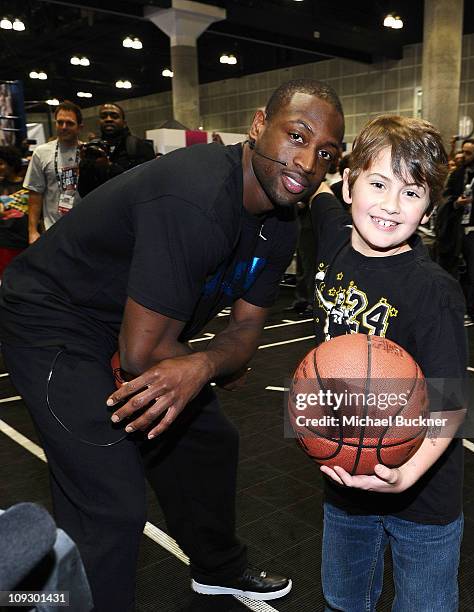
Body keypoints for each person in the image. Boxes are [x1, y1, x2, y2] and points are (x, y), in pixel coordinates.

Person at [0, 79, 345, 612]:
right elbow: (144, 357)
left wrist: (203, 363)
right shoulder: (198, 195)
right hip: (54, 319)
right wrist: (210, 363)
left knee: (210, 441)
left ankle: (218, 570)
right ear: (258, 126)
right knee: (110, 500)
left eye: (325, 153)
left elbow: (245, 335)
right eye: (297, 136)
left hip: (135, 325)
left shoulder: (279, 224)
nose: (307, 161)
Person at [308, 115, 467, 612]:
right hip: (345, 484)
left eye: (413, 192)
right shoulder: (333, 237)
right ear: (350, 184)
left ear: (429, 208)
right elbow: (317, 197)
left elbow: (450, 402)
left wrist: (408, 473)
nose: (391, 205)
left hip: (422, 497)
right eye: (378, 183)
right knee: (342, 600)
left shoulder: (433, 291)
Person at [440, 138, 474, 325]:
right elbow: (447, 196)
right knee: (453, 269)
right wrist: (456, 203)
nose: (465, 156)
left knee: (473, 271)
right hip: (458, 226)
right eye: (463, 152)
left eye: (470, 153)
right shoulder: (458, 173)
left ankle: (466, 311)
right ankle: (452, 308)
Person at [24, 101, 83, 244]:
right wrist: (32, 231)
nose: (63, 127)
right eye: (60, 122)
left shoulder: (88, 153)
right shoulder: (41, 153)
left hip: (83, 228)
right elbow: (35, 193)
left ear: (80, 127)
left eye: (69, 123)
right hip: (52, 229)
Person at [77, 102, 155, 196]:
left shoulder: (140, 146)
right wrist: (84, 165)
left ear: (124, 123)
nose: (108, 119)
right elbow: (84, 192)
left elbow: (146, 184)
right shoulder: (94, 149)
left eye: (114, 116)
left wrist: (109, 166)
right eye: (104, 116)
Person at [0, 146, 28, 278]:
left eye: (1, 163)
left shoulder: (28, 185)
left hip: (25, 241)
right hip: (5, 242)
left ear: (11, 164)